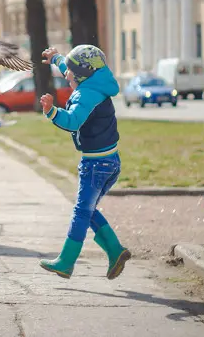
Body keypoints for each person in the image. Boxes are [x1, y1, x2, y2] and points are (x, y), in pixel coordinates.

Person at [37, 44, 131, 280]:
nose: (65, 74)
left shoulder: (85, 94)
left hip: (95, 165)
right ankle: (115, 251)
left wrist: (52, 112)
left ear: (80, 75)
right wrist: (56, 57)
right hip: (110, 161)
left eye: (69, 72)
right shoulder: (96, 82)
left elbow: (74, 121)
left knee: (81, 211)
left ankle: (66, 262)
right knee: (87, 211)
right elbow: (70, 68)